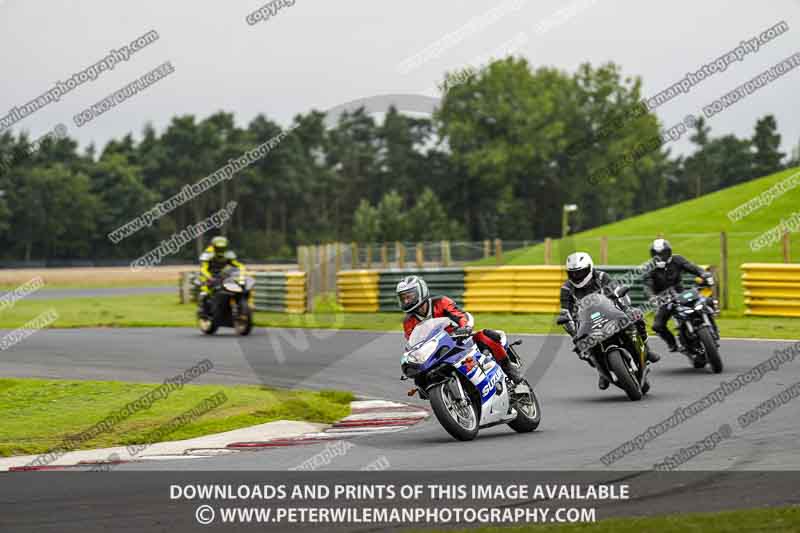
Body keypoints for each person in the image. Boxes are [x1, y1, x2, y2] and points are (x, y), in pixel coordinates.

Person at [558, 252, 661, 390]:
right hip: (586, 322)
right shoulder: (566, 288)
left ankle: (647, 350)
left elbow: (617, 293)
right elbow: (566, 312)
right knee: (581, 347)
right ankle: (601, 372)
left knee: (637, 316)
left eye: (581, 272)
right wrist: (575, 334)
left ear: (589, 268)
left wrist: (626, 309)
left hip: (610, 311)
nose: (577, 276)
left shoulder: (601, 277)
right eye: (573, 273)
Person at [396, 275, 523, 383]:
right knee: (420, 375)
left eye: (409, 296)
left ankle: (508, 368)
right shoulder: (408, 322)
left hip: (458, 340)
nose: (406, 301)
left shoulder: (441, 302)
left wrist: (465, 327)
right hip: (436, 350)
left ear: (421, 292)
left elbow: (460, 316)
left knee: (484, 336)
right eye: (403, 298)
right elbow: (413, 342)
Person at [644, 238, 715, 353]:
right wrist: (652, 297)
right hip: (664, 299)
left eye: (663, 253)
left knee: (706, 303)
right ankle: (672, 343)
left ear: (669, 252)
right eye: (657, 254)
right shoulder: (650, 268)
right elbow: (647, 285)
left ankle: (713, 329)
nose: (660, 257)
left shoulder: (677, 260)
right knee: (657, 326)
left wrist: (703, 273)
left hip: (681, 293)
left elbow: (691, 267)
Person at [197, 236, 246, 318]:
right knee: (205, 293)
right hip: (209, 276)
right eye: (218, 248)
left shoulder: (228, 254)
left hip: (223, 276)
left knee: (236, 289)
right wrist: (209, 277)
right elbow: (203, 269)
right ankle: (204, 310)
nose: (221, 250)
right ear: (214, 246)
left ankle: (233, 308)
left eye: (222, 248)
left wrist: (241, 274)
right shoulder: (207, 253)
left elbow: (238, 265)